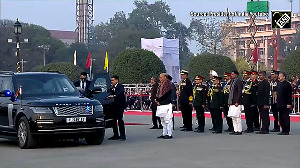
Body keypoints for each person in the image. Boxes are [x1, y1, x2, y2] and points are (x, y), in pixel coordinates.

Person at [107, 75, 127, 140]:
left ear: (116, 80)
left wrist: (114, 95)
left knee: (120, 120)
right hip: (113, 106)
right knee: (113, 120)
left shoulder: (120, 86)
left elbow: (121, 92)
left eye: (113, 80)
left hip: (120, 106)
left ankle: (122, 135)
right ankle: (115, 134)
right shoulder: (111, 87)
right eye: (111, 80)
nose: (111, 82)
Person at [156, 73, 173, 139]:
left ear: (165, 77)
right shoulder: (161, 84)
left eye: (161, 77)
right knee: (162, 120)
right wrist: (157, 99)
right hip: (161, 104)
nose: (159, 78)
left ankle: (169, 134)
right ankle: (164, 133)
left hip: (166, 104)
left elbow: (165, 94)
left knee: (168, 119)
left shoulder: (168, 84)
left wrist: (158, 99)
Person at [228, 70, 243, 135]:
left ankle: (239, 130)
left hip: (237, 102)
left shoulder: (238, 82)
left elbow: (239, 92)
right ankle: (235, 129)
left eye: (232, 74)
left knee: (237, 117)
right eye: (231, 74)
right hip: (232, 101)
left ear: (236, 75)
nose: (231, 75)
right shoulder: (231, 82)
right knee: (233, 117)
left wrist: (237, 101)